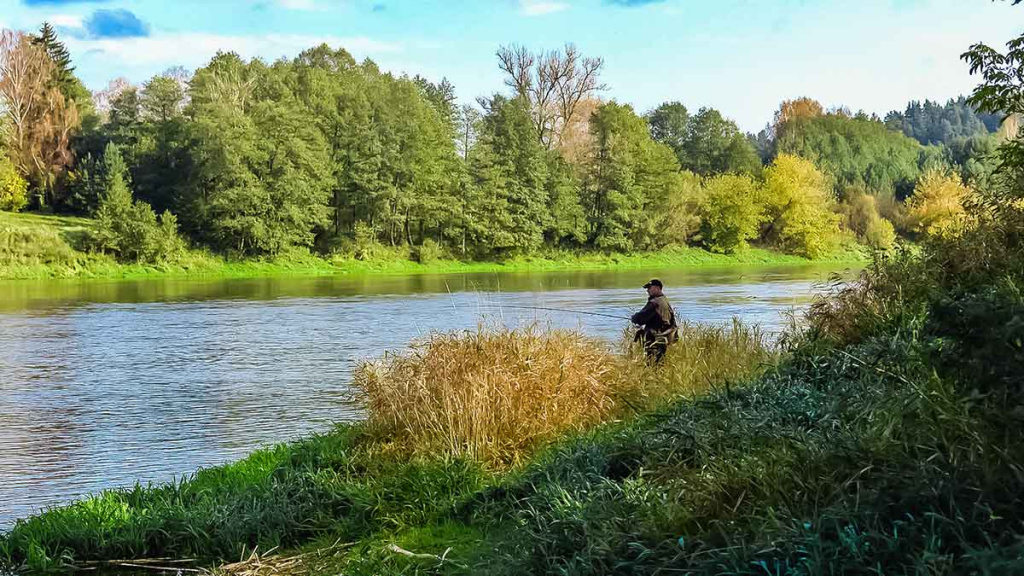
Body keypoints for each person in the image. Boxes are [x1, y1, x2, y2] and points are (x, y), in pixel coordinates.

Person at [630, 279, 678, 364]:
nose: (647, 290)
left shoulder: (654, 302)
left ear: (657, 288)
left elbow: (641, 318)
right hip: (664, 338)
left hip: (655, 339)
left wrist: (634, 318)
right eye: (647, 288)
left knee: (652, 364)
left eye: (649, 288)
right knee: (659, 364)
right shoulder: (664, 300)